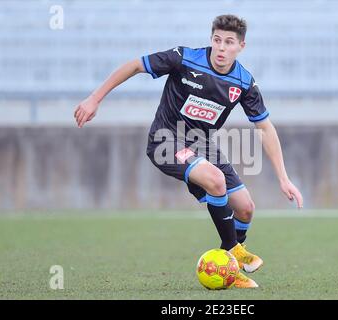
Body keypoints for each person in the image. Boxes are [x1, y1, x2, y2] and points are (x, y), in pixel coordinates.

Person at [74, 14, 303, 288]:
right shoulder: (184, 58)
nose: (221, 47)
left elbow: (265, 128)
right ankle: (233, 252)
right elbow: (135, 66)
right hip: (165, 140)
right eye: (217, 40)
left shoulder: (244, 82)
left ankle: (228, 265)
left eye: (229, 42)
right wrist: (94, 98)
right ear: (211, 40)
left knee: (245, 209)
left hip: (202, 144)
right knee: (215, 180)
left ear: (241, 46)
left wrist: (283, 177)